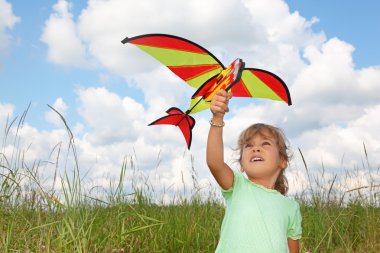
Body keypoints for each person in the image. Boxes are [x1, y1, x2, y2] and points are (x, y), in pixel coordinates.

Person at [207, 89, 302, 253]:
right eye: (248, 145)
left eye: (265, 144)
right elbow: (215, 163)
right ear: (242, 165)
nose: (256, 149)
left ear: (282, 161)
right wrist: (217, 118)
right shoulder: (238, 186)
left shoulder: (291, 207)